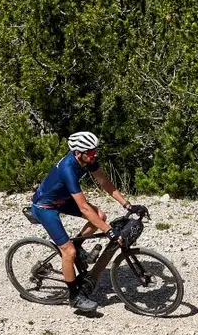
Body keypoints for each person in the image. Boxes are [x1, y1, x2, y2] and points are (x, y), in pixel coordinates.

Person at [31, 131, 131, 313]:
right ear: (78, 153)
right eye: (91, 152)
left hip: (62, 199)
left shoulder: (87, 160)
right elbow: (84, 207)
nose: (95, 155)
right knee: (68, 251)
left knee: (99, 216)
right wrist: (109, 231)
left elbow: (105, 182)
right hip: (45, 206)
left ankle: (80, 249)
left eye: (95, 151)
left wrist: (127, 205)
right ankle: (74, 297)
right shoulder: (68, 169)